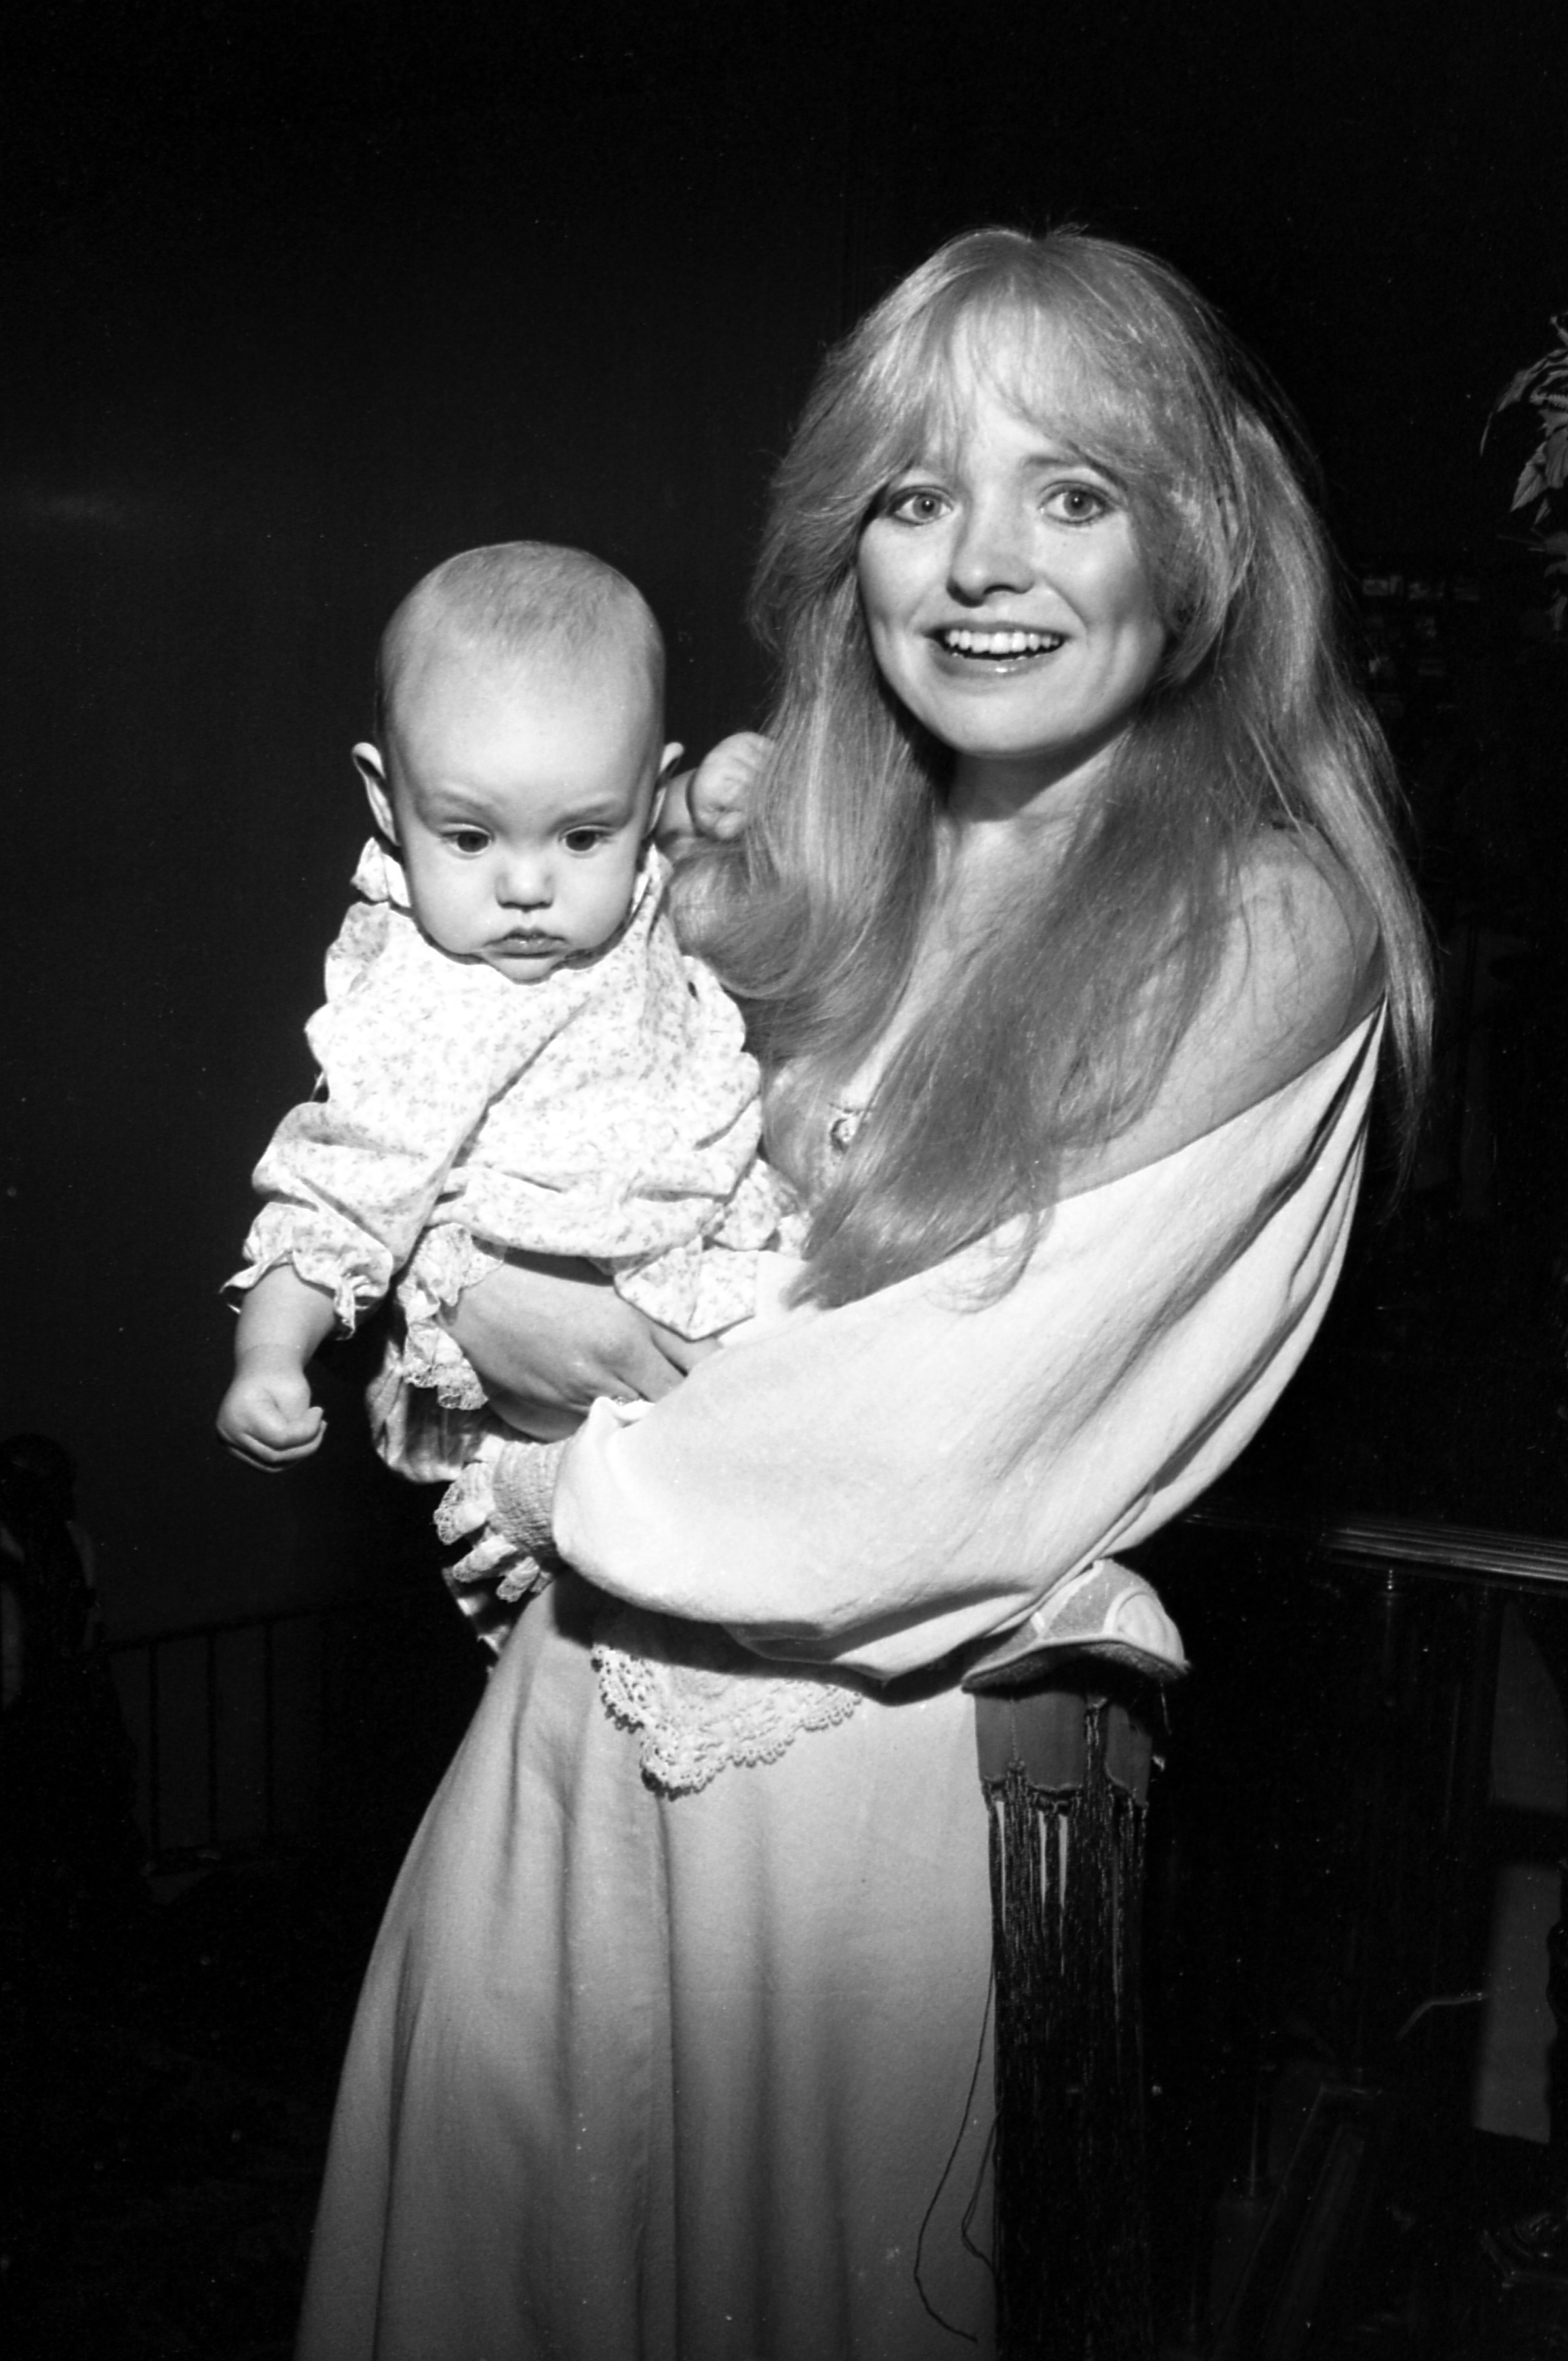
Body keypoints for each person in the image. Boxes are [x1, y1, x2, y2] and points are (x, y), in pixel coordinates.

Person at [295, 228, 1430, 2360]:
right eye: (919, 496)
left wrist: (565, 1456)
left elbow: (925, 1446)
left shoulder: (1264, 920)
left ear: (1195, 539)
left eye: (1069, 492)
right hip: (554, 1763)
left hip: (854, 1851)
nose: (981, 563)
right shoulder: (778, 853)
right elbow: (432, 1184)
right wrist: (475, 1368)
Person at [216, 543, 797, 1635]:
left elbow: (676, 854)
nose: (529, 887)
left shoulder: (618, 872)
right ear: (387, 802)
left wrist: (707, 803)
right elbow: (332, 1196)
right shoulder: (424, 997)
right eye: (471, 836)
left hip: (722, 1263)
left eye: (584, 833)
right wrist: (269, 1355)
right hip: (569, 1392)